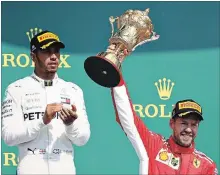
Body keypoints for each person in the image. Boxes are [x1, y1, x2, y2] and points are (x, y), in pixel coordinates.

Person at [107, 43, 218, 174]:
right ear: (172, 123)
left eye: (194, 124)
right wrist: (114, 71)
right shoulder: (154, 146)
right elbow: (128, 118)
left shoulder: (206, 165)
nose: (188, 129)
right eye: (183, 123)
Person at [1, 30, 91, 174]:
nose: (54, 57)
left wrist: (70, 125)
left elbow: (82, 139)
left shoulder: (73, 90)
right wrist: (42, 120)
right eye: (47, 52)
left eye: (56, 51)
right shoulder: (16, 89)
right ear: (33, 56)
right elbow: (8, 137)